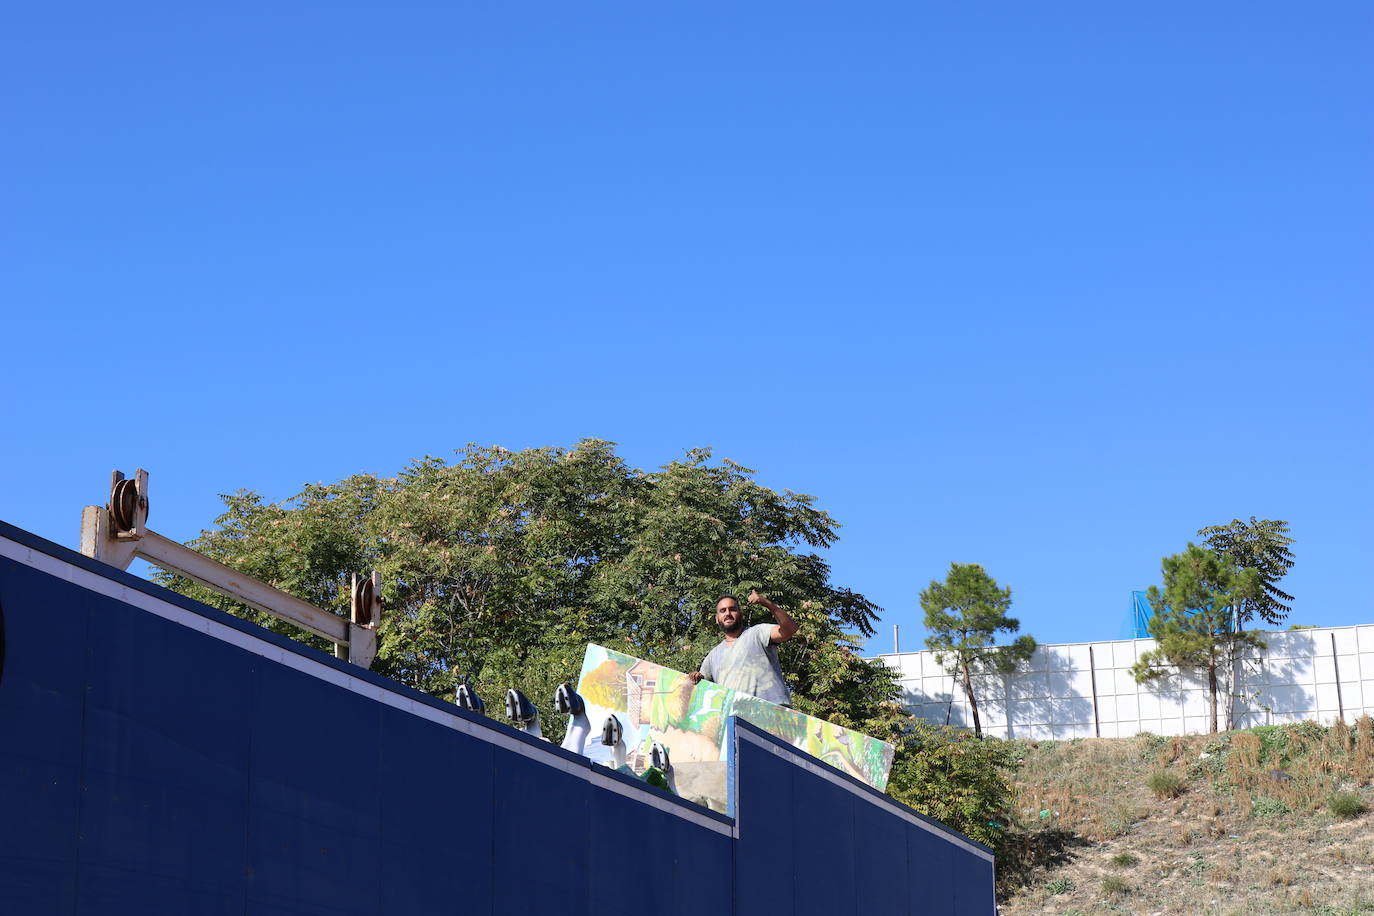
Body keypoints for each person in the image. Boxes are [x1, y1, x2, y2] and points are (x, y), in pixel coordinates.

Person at [688, 590, 799, 707]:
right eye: (723, 610)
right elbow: (700, 687)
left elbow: (790, 629)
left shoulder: (757, 633)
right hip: (736, 717)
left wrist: (766, 603)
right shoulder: (712, 656)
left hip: (773, 713)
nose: (728, 613)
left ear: (740, 614)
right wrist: (694, 677)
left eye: (732, 609)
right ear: (717, 618)